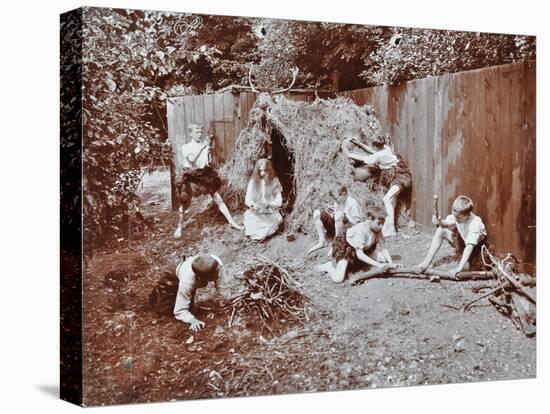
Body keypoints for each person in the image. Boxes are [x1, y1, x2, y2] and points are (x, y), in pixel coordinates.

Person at [173, 123, 243, 239]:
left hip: (202, 174)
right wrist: (202, 148)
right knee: (185, 200)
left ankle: (231, 221)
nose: (199, 134)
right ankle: (179, 226)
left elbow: (204, 163)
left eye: (201, 132)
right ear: (191, 134)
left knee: (217, 197)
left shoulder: (204, 146)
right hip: (189, 174)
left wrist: (208, 154)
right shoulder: (186, 147)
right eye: (197, 132)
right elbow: (191, 160)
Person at [342, 129, 412, 237]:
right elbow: (372, 150)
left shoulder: (380, 155)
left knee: (387, 199)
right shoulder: (385, 148)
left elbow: (366, 159)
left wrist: (349, 154)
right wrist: (359, 143)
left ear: (376, 146)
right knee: (392, 200)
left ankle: (391, 229)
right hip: (395, 175)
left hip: (399, 177)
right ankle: (388, 226)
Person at [316, 205, 396, 283]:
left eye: (383, 224)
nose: (381, 226)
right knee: (338, 279)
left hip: (365, 247)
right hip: (347, 248)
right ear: (370, 219)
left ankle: (362, 261)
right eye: (378, 223)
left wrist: (391, 263)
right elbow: (360, 254)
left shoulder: (377, 229)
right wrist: (378, 265)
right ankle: (328, 266)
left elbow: (383, 247)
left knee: (383, 259)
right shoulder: (361, 230)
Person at [417, 195, 488, 276]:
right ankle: (427, 262)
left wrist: (459, 268)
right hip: (462, 242)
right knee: (441, 230)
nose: (455, 218)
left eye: (457, 217)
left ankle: (463, 265)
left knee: (465, 268)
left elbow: (469, 248)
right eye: (454, 215)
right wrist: (439, 221)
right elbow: (445, 224)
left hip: (475, 251)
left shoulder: (475, 224)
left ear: (468, 215)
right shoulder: (458, 215)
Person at [173, 254, 224, 331]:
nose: (219, 274)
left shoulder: (216, 262)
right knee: (165, 310)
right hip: (172, 278)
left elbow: (220, 282)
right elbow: (179, 311)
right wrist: (192, 320)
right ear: (201, 279)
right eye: (215, 275)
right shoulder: (187, 282)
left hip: (191, 273)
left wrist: (223, 296)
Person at [307, 185, 363, 254]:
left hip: (348, 230)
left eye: (336, 198)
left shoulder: (352, 203)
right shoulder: (338, 202)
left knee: (339, 215)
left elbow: (357, 224)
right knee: (317, 213)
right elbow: (337, 214)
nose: (335, 201)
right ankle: (322, 242)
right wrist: (332, 212)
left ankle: (337, 244)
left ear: (344, 194)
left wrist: (347, 217)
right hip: (338, 228)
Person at [243, 158, 284, 240]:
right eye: (260, 171)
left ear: (269, 170)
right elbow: (248, 199)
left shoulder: (274, 181)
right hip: (257, 212)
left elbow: (279, 201)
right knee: (252, 223)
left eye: (265, 170)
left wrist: (269, 204)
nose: (262, 173)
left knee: (274, 222)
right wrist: (253, 205)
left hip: (270, 212)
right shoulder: (253, 182)